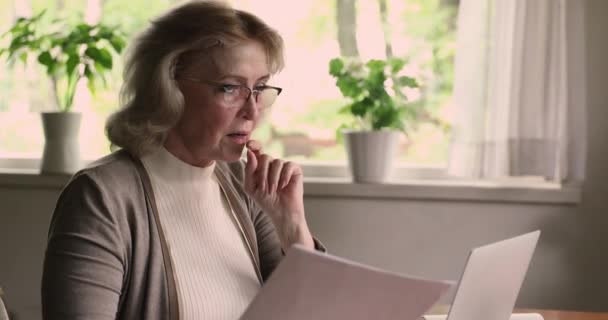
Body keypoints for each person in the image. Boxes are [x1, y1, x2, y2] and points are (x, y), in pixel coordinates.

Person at [41, 1, 325, 319]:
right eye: (230, 88)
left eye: (259, 88)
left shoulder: (245, 189)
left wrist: (293, 228)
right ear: (168, 87)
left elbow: (312, 312)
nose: (253, 110)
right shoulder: (100, 196)